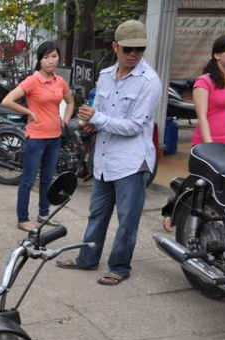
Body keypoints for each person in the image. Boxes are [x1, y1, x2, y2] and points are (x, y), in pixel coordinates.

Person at [57, 20, 162, 285]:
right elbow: (99, 111)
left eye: (139, 49)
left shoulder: (149, 81)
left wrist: (99, 119)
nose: (133, 54)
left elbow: (135, 126)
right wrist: (88, 122)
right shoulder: (105, 75)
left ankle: (119, 267)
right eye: (128, 49)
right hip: (103, 159)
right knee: (97, 213)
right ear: (116, 47)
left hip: (131, 162)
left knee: (127, 220)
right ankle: (87, 259)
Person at [2, 41, 74, 232]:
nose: (51, 61)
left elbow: (70, 101)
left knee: (48, 178)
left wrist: (64, 120)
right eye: (46, 57)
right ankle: (23, 219)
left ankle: (43, 213)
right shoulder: (32, 80)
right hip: (36, 138)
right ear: (40, 59)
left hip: (55, 137)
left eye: (54, 56)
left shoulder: (60, 81)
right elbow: (7, 101)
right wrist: (29, 112)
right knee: (28, 179)